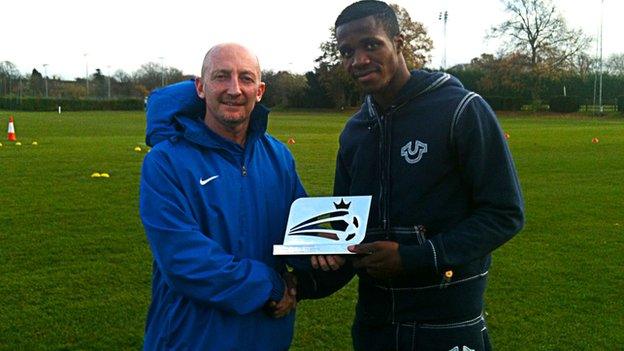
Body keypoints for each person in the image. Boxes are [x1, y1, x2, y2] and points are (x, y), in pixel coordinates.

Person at [305, 1, 525, 350]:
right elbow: (348, 230)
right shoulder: (354, 132)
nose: (358, 59)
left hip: (448, 324)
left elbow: (504, 214)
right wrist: (304, 280)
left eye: (371, 44)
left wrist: (413, 258)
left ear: (399, 42)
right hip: (375, 327)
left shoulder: (461, 109)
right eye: (347, 51)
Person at [139, 43, 304, 350]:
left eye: (246, 78)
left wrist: (313, 270)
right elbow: (184, 260)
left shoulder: (279, 156)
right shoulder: (166, 161)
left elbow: (300, 233)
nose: (234, 89)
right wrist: (268, 284)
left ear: (260, 90)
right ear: (201, 87)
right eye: (221, 77)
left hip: (266, 336)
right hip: (193, 338)